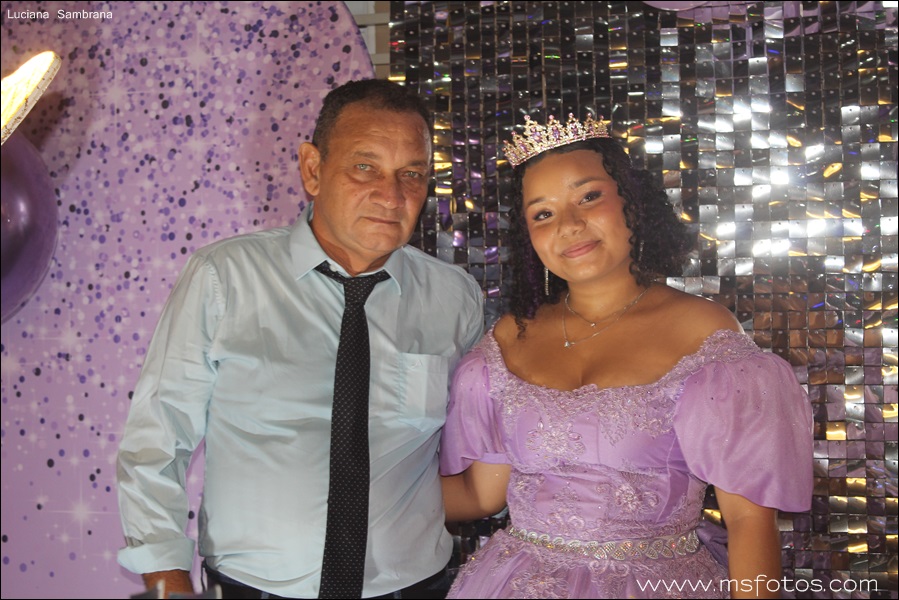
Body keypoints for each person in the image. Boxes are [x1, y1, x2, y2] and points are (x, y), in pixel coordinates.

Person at [117, 79, 485, 599]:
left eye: (412, 174)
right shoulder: (225, 277)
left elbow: (467, 457)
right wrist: (167, 582)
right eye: (365, 167)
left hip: (414, 587)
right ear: (312, 169)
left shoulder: (454, 298)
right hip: (252, 589)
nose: (392, 195)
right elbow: (156, 441)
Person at [438, 114, 813, 598]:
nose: (569, 225)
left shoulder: (703, 332)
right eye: (543, 214)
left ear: (631, 202)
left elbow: (747, 521)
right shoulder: (511, 336)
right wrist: (360, 489)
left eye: (588, 197)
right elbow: (480, 493)